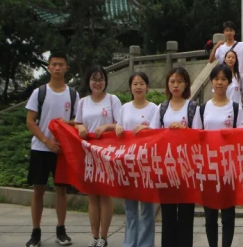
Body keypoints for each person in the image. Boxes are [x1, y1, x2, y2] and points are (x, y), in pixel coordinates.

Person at [25, 51, 79, 247]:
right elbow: (30, 121)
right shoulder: (39, 92)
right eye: (54, 64)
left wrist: (67, 124)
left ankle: (61, 230)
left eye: (61, 64)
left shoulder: (72, 94)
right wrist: (46, 141)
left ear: (66, 68)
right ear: (48, 67)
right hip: (41, 148)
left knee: (61, 191)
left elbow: (77, 121)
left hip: (61, 151)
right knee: (38, 190)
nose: (57, 68)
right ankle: (36, 232)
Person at [150, 67, 200, 247]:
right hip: (167, 167)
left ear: (186, 84)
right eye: (172, 81)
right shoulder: (161, 108)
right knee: (168, 213)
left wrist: (184, 130)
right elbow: (153, 135)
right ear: (168, 84)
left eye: (179, 81)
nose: (176, 85)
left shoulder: (192, 108)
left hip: (187, 168)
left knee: (186, 213)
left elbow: (199, 136)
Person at [75, 66, 123, 247]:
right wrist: (80, 127)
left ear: (105, 81)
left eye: (101, 79)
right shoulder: (83, 102)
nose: (97, 83)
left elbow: (121, 124)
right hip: (88, 153)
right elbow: (77, 122)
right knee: (92, 195)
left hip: (107, 152)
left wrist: (106, 127)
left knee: (104, 194)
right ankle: (94, 236)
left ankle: (104, 237)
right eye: (94, 79)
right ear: (88, 81)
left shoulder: (112, 100)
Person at [200, 63, 243, 247]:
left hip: (228, 168)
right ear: (211, 81)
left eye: (223, 79)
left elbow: (241, 135)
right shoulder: (203, 108)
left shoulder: (235, 108)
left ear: (229, 82)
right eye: (216, 79)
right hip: (208, 168)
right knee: (210, 216)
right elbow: (197, 136)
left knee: (228, 215)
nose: (219, 82)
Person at [114, 72, 158, 247]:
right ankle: (129, 243)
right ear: (130, 87)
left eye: (141, 83)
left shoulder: (154, 108)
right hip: (127, 163)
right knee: (130, 208)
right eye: (135, 84)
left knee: (147, 208)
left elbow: (157, 133)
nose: (138, 87)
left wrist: (147, 131)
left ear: (147, 87)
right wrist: (117, 127)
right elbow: (119, 126)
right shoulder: (124, 108)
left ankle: (146, 244)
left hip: (146, 164)